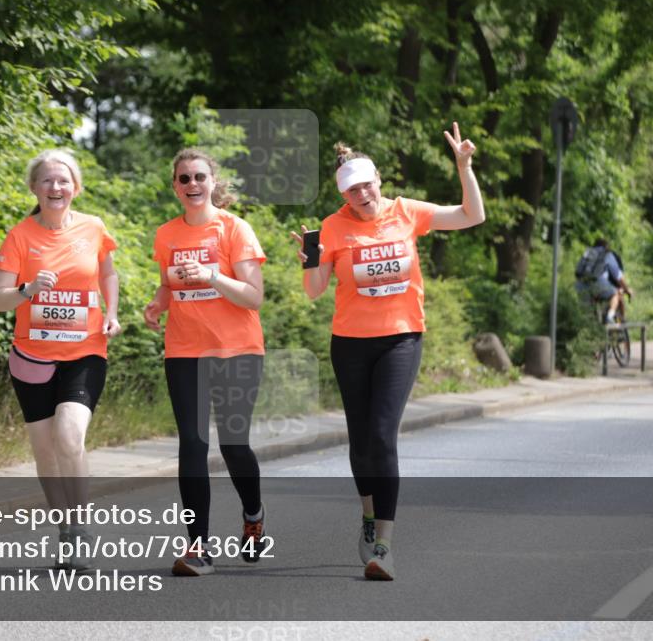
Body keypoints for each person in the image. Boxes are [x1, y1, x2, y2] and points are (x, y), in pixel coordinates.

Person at [290, 123, 485, 581]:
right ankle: (367, 514)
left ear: (379, 181)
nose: (363, 193)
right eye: (353, 188)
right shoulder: (330, 229)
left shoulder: (406, 212)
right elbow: (315, 292)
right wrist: (311, 261)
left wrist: (464, 168)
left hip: (401, 338)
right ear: (344, 194)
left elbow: (470, 215)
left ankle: (385, 544)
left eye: (367, 184)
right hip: (350, 343)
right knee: (360, 441)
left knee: (381, 435)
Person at [0, 149, 120, 568]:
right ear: (34, 188)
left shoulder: (93, 228)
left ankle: (81, 528)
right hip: (32, 355)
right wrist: (27, 290)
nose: (55, 187)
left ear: (75, 187)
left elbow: (108, 273)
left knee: (69, 435)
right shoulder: (20, 236)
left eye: (63, 180)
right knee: (44, 452)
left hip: (84, 351)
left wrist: (112, 314)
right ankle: (64, 528)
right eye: (47, 180)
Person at [144, 148, 266, 576]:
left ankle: (253, 515)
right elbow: (169, 284)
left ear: (213, 182)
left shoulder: (235, 230)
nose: (192, 185)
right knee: (192, 445)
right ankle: (198, 547)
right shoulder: (166, 235)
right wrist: (157, 304)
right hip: (184, 350)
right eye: (184, 179)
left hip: (237, 351)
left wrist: (212, 275)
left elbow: (253, 296)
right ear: (175, 187)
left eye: (199, 177)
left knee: (234, 446)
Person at [575, 238, 633, 323]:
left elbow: (579, 270)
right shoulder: (607, 254)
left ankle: (591, 331)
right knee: (615, 294)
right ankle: (609, 316)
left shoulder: (587, 253)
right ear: (606, 246)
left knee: (589, 316)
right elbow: (618, 277)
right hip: (597, 284)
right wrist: (627, 290)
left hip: (580, 285)